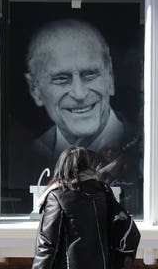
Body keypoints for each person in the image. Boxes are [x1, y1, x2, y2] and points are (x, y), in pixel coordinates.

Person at [24, 19, 141, 212]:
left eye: (90, 74)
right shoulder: (26, 154)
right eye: (61, 78)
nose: (79, 94)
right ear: (35, 88)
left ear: (110, 76)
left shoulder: (140, 144)